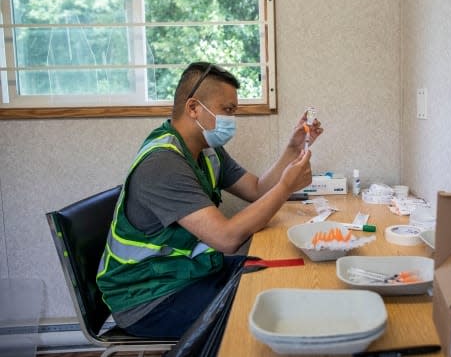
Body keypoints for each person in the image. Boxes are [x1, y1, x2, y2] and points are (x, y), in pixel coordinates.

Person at [96, 62, 322, 339]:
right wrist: (287, 186)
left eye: (234, 111)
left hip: (187, 274)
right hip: (150, 298)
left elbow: (257, 189)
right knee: (266, 311)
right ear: (193, 108)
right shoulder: (163, 162)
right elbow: (226, 239)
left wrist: (292, 148)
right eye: (227, 110)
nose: (231, 119)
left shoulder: (208, 150)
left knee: (279, 273)